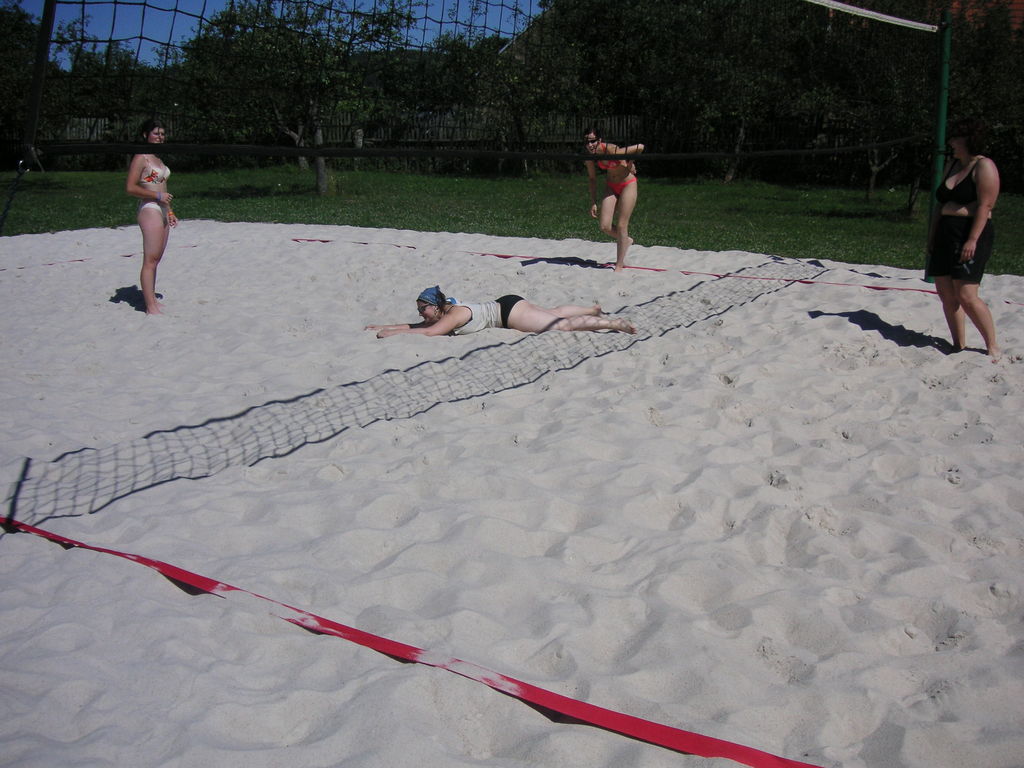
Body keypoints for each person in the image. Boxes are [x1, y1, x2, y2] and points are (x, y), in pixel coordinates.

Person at [926, 117, 1001, 361]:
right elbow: (940, 204)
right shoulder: (952, 165)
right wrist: (932, 236)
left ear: (967, 140)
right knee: (946, 293)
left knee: (967, 294)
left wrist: (972, 239)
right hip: (946, 233)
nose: (951, 142)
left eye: (955, 138)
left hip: (969, 233)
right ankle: (958, 344)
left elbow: (986, 205)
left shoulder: (984, 166)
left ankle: (992, 346)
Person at [366, 285, 637, 338]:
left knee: (560, 325)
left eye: (422, 309)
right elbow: (422, 326)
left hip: (510, 315)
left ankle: (614, 324)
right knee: (554, 312)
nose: (420, 314)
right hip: (507, 304)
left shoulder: (455, 315)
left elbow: (430, 332)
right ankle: (592, 309)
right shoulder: (448, 309)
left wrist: (394, 333)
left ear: (435, 306)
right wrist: (386, 327)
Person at [126, 119, 177, 314]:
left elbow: (163, 186)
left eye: (162, 134)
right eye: (156, 133)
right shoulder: (142, 157)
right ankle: (150, 306)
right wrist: (156, 196)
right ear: (145, 135)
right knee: (150, 259)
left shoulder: (158, 158)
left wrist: (169, 211)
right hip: (150, 208)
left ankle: (152, 299)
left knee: (157, 258)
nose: (160, 137)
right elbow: (130, 188)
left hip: (162, 208)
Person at [583, 126, 644, 272]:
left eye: (593, 141)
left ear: (600, 140)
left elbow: (640, 147)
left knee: (622, 225)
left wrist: (631, 162)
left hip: (627, 184)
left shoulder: (611, 149)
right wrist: (593, 202)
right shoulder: (589, 156)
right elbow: (592, 179)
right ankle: (626, 240)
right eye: (587, 141)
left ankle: (619, 265)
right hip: (611, 186)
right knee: (605, 226)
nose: (590, 144)